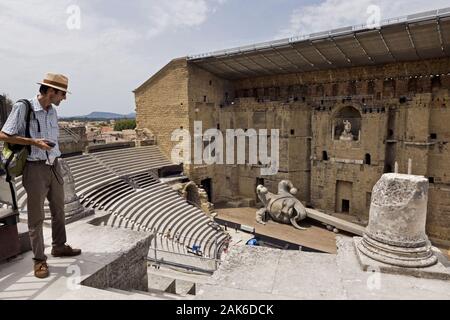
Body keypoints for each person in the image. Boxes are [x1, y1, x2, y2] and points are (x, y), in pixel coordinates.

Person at [1, 73, 81, 279]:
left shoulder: (53, 111)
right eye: (62, 94)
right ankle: (39, 260)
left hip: (54, 164)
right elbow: (3, 135)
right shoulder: (23, 107)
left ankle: (59, 246)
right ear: (51, 91)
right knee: (36, 217)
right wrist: (34, 142)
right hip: (34, 167)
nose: (64, 98)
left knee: (59, 210)